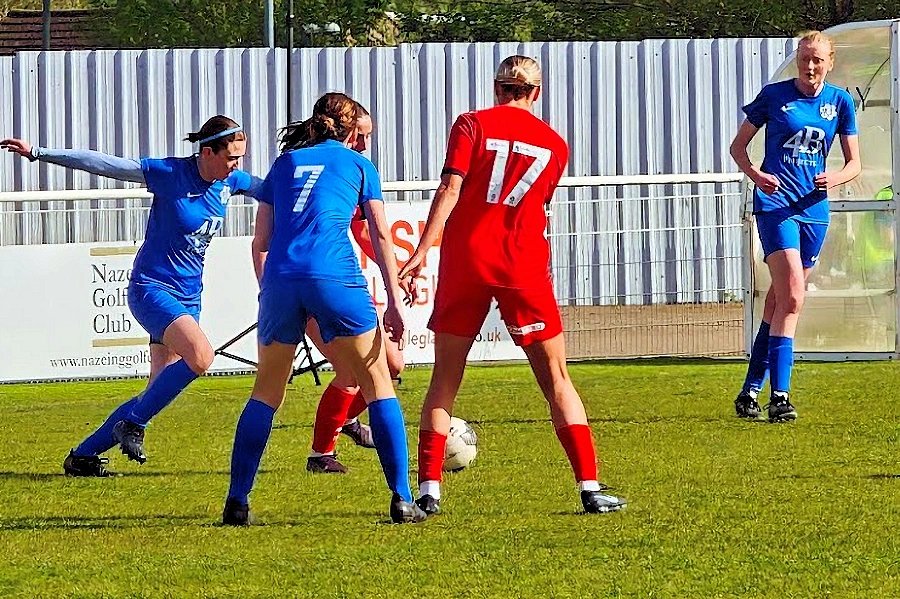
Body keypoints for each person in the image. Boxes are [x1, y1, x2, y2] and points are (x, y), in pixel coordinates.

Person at [398, 55, 626, 516]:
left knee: (445, 378)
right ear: (536, 93)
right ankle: (589, 486)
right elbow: (537, 207)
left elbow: (450, 189)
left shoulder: (471, 124)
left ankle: (428, 491)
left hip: (467, 263)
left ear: (498, 87)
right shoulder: (555, 145)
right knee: (556, 379)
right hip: (522, 266)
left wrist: (423, 250)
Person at [1, 116, 263, 474]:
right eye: (233, 157)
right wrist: (39, 153)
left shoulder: (230, 182)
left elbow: (276, 190)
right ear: (207, 152)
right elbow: (105, 163)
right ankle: (132, 424)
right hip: (151, 289)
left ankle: (82, 456)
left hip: (189, 296)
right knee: (202, 357)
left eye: (241, 159)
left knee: (155, 392)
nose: (238, 165)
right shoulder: (170, 173)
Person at [225, 92, 425, 525]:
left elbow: (260, 242)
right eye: (363, 135)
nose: (366, 144)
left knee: (266, 392)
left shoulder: (284, 164)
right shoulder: (358, 166)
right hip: (334, 276)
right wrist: (393, 302)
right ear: (351, 131)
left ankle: (237, 503)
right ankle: (403, 499)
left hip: (280, 280)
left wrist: (272, 293)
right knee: (378, 384)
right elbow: (382, 235)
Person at [731, 30, 860, 422]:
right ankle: (781, 396)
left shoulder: (839, 102)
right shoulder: (774, 95)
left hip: (814, 210)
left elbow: (855, 164)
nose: (809, 66)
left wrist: (834, 178)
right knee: (794, 297)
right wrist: (757, 175)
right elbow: (738, 148)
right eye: (805, 58)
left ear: (829, 62)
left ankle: (750, 391)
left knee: (779, 301)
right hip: (776, 206)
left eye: (817, 59)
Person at [303, 105, 407, 474]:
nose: (364, 144)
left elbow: (364, 231)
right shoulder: (303, 166)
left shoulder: (349, 167)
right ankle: (321, 454)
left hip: (336, 285)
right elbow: (264, 240)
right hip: (309, 284)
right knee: (351, 369)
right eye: (360, 135)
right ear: (343, 130)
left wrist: (395, 271)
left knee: (391, 364)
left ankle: (342, 421)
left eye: (368, 137)